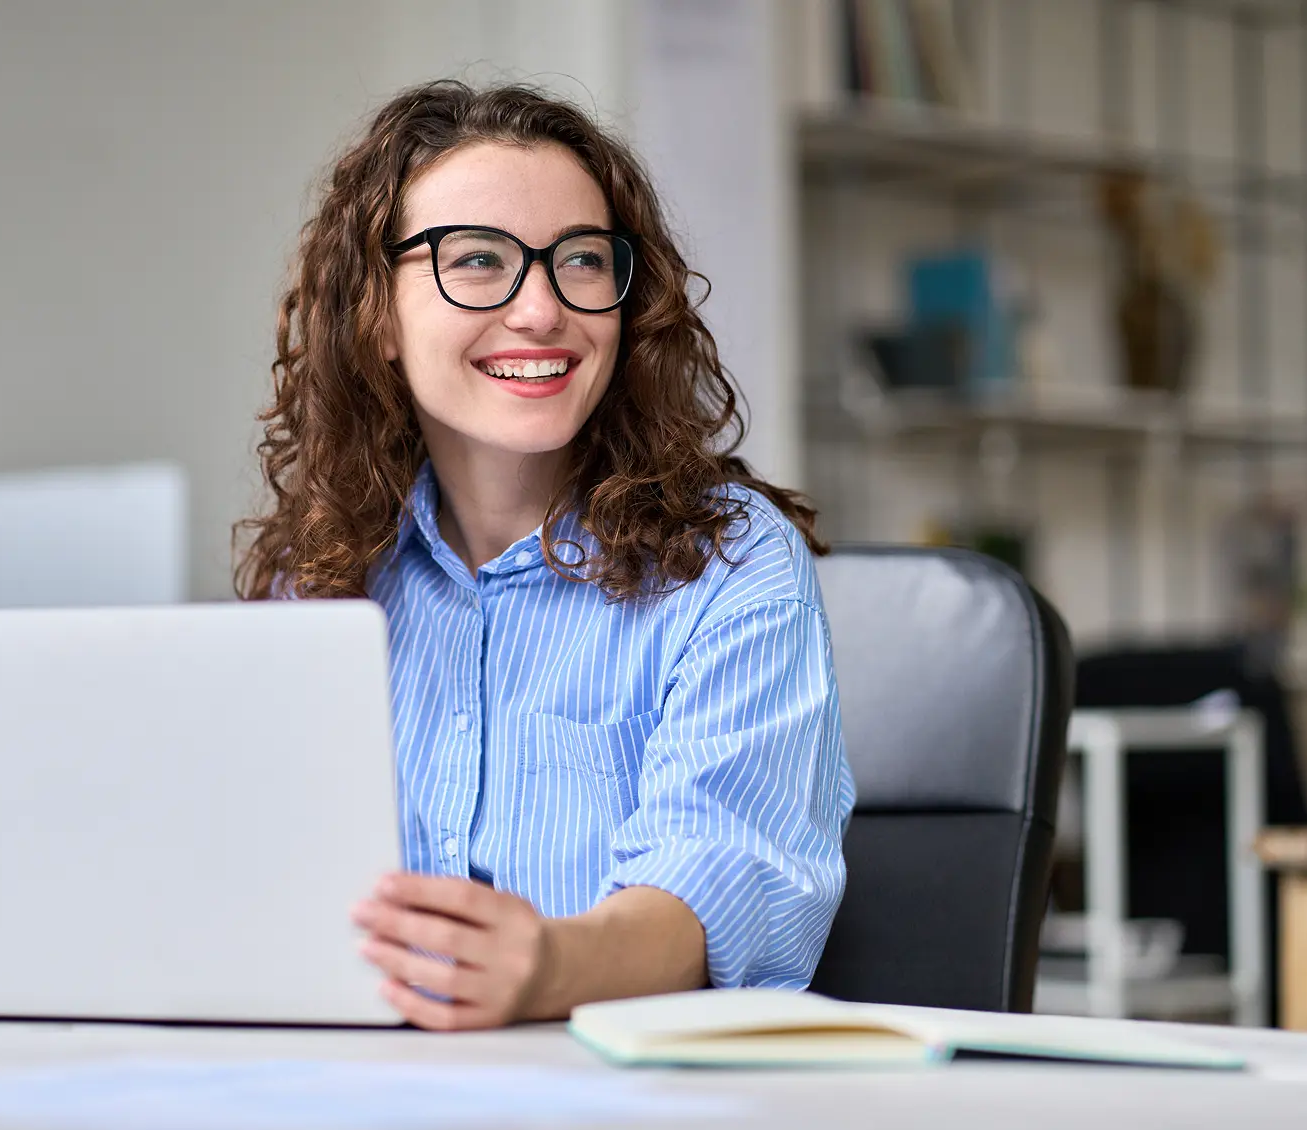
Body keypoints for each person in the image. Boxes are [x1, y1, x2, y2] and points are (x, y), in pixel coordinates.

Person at [234, 80, 855, 1031]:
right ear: (376, 316)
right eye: (477, 261)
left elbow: (725, 889)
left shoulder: (732, 568)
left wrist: (549, 965)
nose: (540, 310)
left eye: (581, 261)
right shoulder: (317, 585)